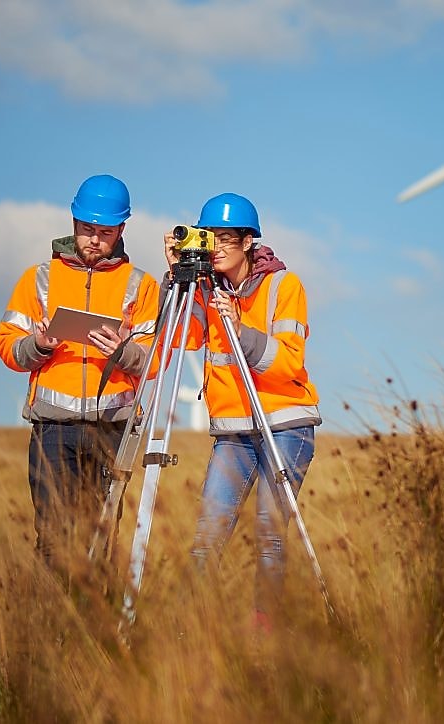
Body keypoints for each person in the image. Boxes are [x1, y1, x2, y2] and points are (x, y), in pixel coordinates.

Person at [164, 192, 321, 630]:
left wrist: (240, 328)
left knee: (270, 534)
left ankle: (264, 627)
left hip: (285, 424)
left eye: (225, 238)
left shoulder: (284, 287)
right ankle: (184, 625)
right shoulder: (205, 290)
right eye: (207, 237)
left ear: (249, 241)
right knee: (208, 530)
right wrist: (176, 279)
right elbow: (180, 338)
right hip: (234, 430)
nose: (215, 246)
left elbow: (289, 362)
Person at [0, 174, 160, 572]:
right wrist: (37, 347)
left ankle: (93, 624)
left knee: (100, 539)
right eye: (87, 229)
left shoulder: (140, 285)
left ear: (122, 229)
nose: (94, 240)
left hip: (111, 431)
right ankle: (53, 627)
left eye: (105, 232)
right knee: (53, 537)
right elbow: (7, 346)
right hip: (54, 431)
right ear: (73, 221)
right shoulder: (39, 279)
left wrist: (123, 354)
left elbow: (155, 359)